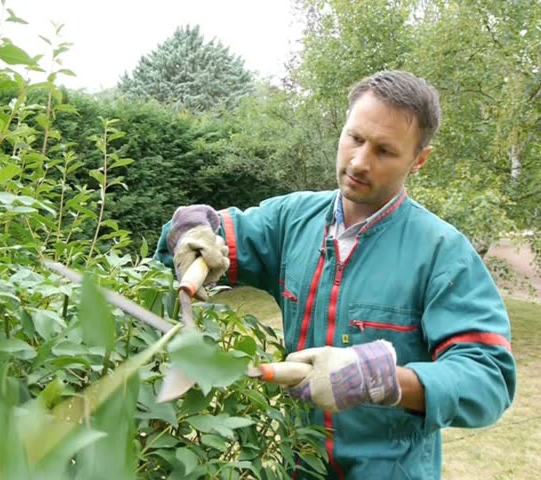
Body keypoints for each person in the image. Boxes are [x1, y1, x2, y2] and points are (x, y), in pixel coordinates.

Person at [155, 70, 516, 480]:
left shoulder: (441, 253)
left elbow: (488, 379)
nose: (360, 161)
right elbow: (205, 238)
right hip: (296, 467)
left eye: (384, 151)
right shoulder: (292, 220)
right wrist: (190, 229)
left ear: (419, 160)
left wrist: (377, 379)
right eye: (355, 138)